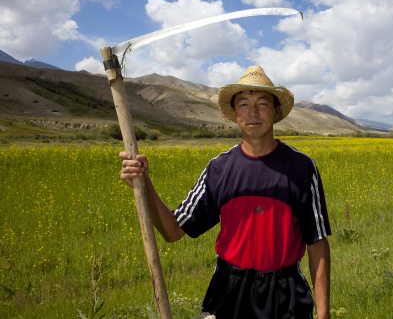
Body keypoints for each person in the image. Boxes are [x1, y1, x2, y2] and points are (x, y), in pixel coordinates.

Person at [120, 66, 332, 319]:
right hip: (229, 291)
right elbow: (173, 231)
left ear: (276, 111)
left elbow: (317, 243)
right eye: (243, 104)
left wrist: (323, 313)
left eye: (262, 102)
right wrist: (144, 184)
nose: (252, 112)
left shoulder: (301, 167)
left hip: (285, 295)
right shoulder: (219, 169)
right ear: (234, 112)